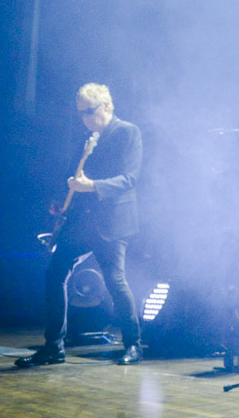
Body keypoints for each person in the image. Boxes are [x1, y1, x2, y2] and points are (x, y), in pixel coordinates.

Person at [16, 83, 144, 368]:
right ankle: (53, 346)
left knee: (115, 281)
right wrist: (60, 201)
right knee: (55, 274)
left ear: (107, 106)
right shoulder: (88, 137)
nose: (85, 117)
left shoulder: (127, 132)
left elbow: (129, 179)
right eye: (81, 113)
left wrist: (92, 186)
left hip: (112, 222)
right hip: (82, 221)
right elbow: (71, 174)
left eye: (89, 111)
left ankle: (133, 344)